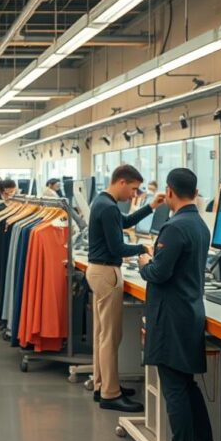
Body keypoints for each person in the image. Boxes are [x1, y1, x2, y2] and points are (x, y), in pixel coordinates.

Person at [137, 168, 217, 441]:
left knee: (175, 392)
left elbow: (159, 273)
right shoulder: (200, 224)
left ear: (169, 191)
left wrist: (145, 262)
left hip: (171, 318)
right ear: (194, 193)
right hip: (189, 312)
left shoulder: (174, 228)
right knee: (188, 387)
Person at [87, 165, 165, 413]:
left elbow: (125, 221)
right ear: (121, 182)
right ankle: (111, 394)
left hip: (98, 271)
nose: (134, 195)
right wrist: (144, 249)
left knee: (103, 334)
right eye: (133, 189)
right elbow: (118, 248)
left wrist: (151, 207)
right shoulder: (108, 207)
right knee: (111, 336)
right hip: (107, 272)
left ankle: (103, 386)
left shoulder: (102, 202)